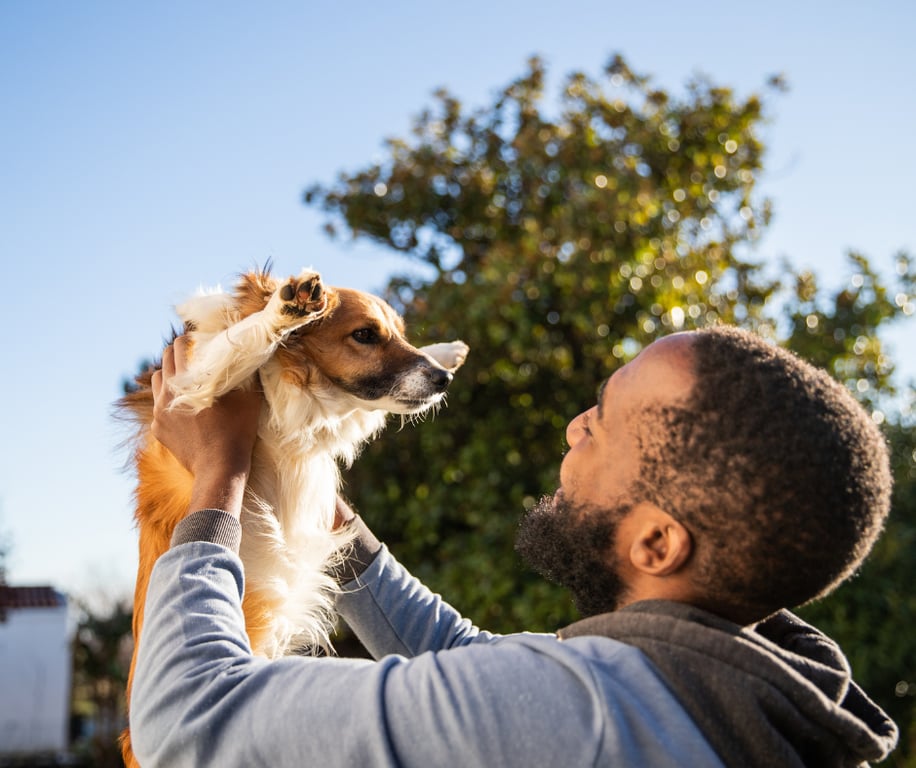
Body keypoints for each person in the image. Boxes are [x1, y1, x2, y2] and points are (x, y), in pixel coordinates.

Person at [129, 325, 899, 767]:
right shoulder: (725, 703)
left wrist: (219, 473)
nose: (575, 427)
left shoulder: (587, 714)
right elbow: (473, 661)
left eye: (602, 421)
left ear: (658, 542)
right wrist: (323, 511)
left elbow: (188, 721)